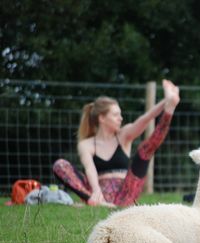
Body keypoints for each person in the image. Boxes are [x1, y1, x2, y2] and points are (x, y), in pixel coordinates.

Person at [53, 79, 180, 207]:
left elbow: (145, 119)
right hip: (97, 193)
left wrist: (167, 101)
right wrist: (96, 190)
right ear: (102, 118)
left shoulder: (123, 135)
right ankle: (97, 202)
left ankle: (169, 110)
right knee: (60, 165)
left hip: (125, 192)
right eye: (115, 115)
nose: (121, 118)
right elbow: (90, 169)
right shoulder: (86, 144)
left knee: (146, 150)